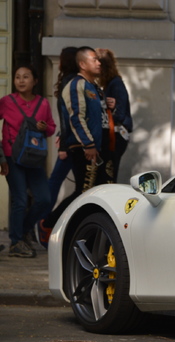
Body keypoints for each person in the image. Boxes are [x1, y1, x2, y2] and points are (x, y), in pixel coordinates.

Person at [38, 46, 107, 248]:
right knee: (82, 192)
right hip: (82, 148)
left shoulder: (92, 86)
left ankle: (74, 230)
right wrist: (88, 144)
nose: (99, 62)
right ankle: (48, 223)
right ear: (82, 64)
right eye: (94, 59)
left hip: (92, 148)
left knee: (88, 192)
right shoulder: (76, 84)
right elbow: (75, 117)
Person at [0, 65, 56, 257]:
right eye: (17, 77)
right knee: (20, 200)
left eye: (25, 77)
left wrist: (44, 127)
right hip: (12, 156)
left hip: (34, 157)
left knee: (44, 199)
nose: (21, 81)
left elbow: (51, 128)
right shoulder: (6, 102)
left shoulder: (43, 103)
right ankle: (16, 242)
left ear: (35, 81)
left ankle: (23, 230)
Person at [47, 46, 79, 212]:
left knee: (55, 181)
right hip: (73, 143)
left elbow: (68, 116)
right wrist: (64, 142)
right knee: (57, 181)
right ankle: (44, 220)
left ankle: (44, 219)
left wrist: (64, 142)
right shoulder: (73, 82)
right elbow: (69, 116)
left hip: (71, 142)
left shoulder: (69, 81)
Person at [96, 48, 133, 183]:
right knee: (107, 173)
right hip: (114, 136)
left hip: (114, 136)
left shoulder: (115, 84)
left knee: (108, 174)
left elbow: (119, 113)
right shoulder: (112, 83)